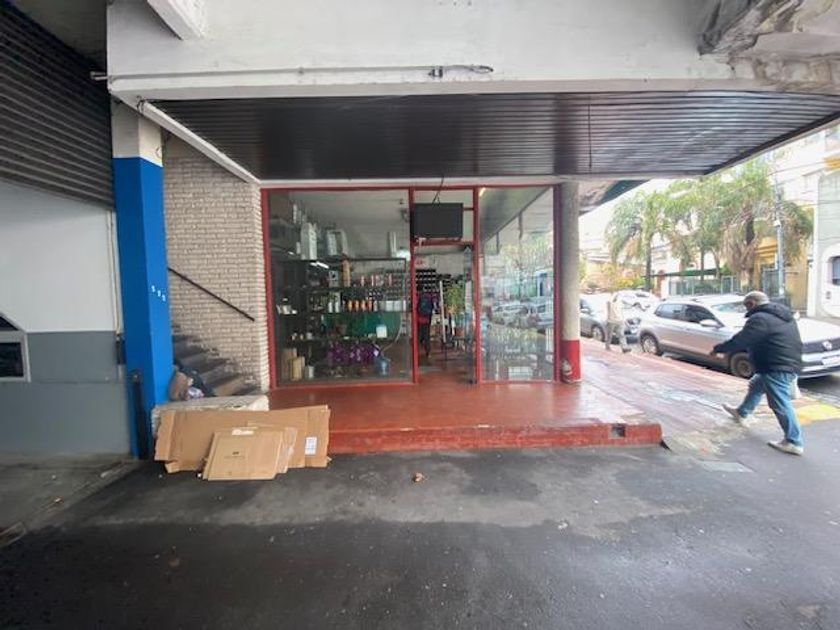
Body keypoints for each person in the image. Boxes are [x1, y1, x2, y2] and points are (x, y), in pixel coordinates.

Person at [713, 291, 804, 456]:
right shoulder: (782, 315)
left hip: (775, 366)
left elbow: (742, 339)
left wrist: (719, 349)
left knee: (780, 403)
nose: (746, 309)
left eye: (746, 305)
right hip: (786, 362)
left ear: (752, 303)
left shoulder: (760, 318)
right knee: (756, 385)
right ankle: (742, 412)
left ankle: (793, 441)